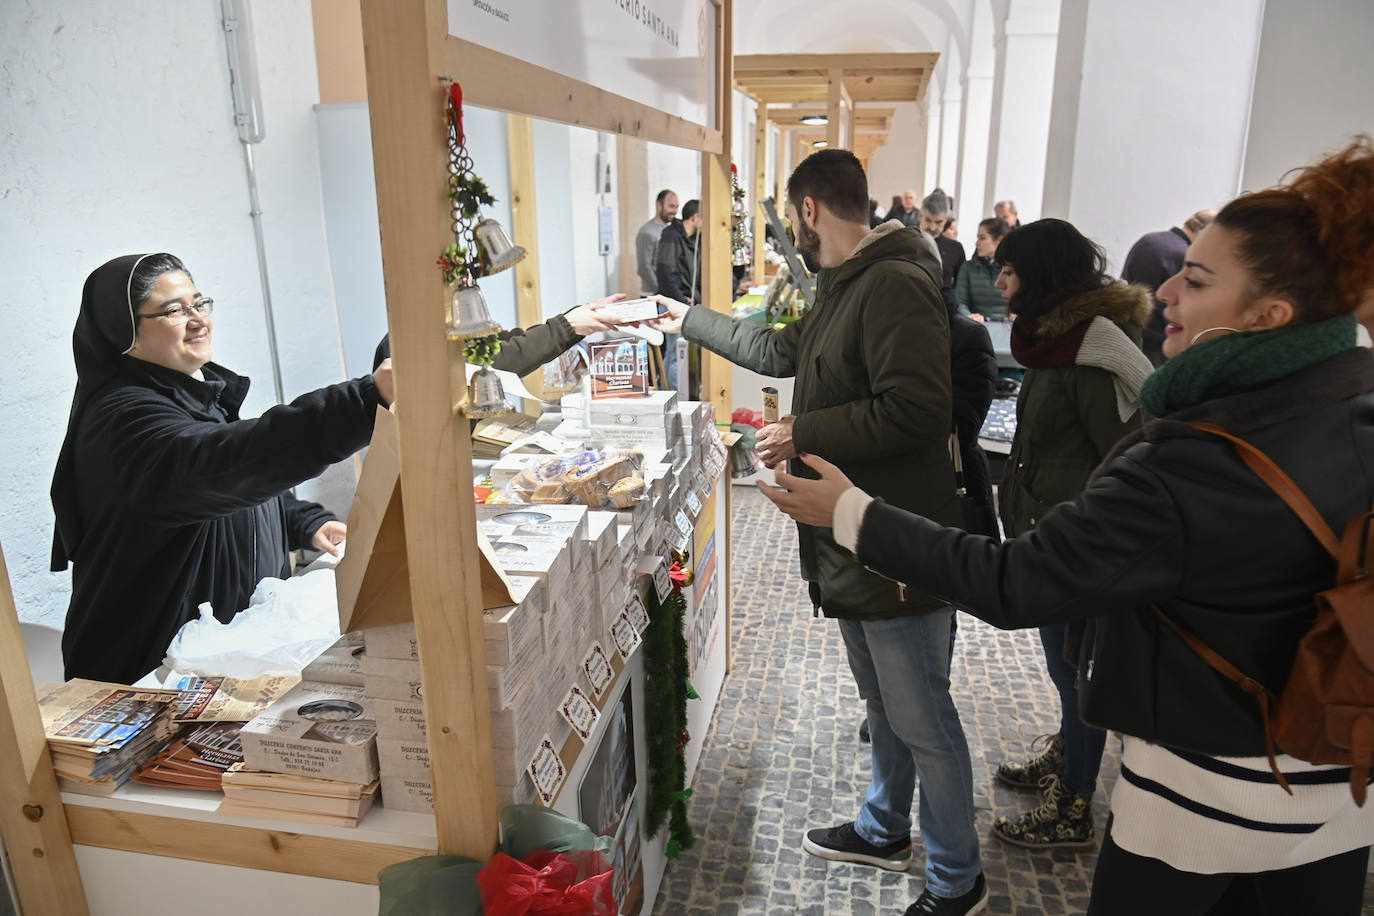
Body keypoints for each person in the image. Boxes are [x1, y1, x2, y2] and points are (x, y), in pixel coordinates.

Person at [760, 138, 1374, 915]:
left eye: (1195, 279)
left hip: (1209, 794)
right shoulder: (1353, 409)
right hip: (1340, 783)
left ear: (1269, 314)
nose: (1165, 291)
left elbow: (1017, 582)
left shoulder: (1191, 459)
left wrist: (850, 512)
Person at [647, 149, 986, 915]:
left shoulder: (893, 282)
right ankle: (884, 827)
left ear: (807, 210)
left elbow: (916, 410)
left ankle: (957, 879)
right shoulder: (844, 282)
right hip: (855, 540)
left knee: (924, 719)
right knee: (886, 707)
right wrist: (684, 318)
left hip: (897, 541)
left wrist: (803, 430)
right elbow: (777, 350)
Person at [51, 253, 394, 684]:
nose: (198, 320)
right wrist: (364, 401)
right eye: (174, 310)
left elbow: (239, 484)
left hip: (217, 658)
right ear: (124, 331)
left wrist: (304, 522)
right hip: (148, 672)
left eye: (199, 304)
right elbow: (225, 464)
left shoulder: (188, 396)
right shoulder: (124, 420)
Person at [986, 218, 1153, 850]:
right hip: (1052, 536)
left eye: (1009, 270)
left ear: (1043, 274)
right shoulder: (1053, 339)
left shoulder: (1092, 350)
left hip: (1079, 546)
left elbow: (1126, 457)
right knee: (1065, 671)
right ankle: (1068, 756)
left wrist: (1084, 535)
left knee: (1078, 676)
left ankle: (1075, 806)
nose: (1000, 282)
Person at [371, 295, 626, 373]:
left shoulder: (448, 328)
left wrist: (578, 318)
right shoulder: (410, 342)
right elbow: (502, 358)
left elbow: (506, 342)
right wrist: (568, 325)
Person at [1122, 209, 1217, 366]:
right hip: (1158, 344)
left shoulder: (1149, 239)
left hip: (1131, 332)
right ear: (1205, 234)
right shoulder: (1183, 255)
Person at [656, 198, 702, 389]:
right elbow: (666, 272)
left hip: (685, 302)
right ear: (695, 217)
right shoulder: (671, 235)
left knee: (676, 353)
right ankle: (675, 394)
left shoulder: (693, 239)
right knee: (676, 354)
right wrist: (681, 299)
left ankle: (670, 390)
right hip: (673, 303)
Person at [920, 190, 967, 314]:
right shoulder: (905, 243)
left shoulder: (955, 249)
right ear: (920, 216)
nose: (932, 227)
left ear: (946, 220)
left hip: (945, 311)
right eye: (928, 220)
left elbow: (960, 288)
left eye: (938, 222)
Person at [955, 217, 1011, 320]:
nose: (977, 243)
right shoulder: (967, 268)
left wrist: (1015, 316)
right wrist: (969, 316)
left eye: (982, 238)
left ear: (999, 240)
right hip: (976, 324)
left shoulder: (1014, 269)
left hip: (1007, 324)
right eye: (978, 238)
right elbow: (960, 301)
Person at [635, 189, 678, 295]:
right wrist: (660, 290)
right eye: (671, 206)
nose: (675, 211)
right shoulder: (647, 232)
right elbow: (644, 267)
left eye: (677, 207)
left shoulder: (672, 230)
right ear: (659, 205)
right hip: (653, 295)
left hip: (668, 295)